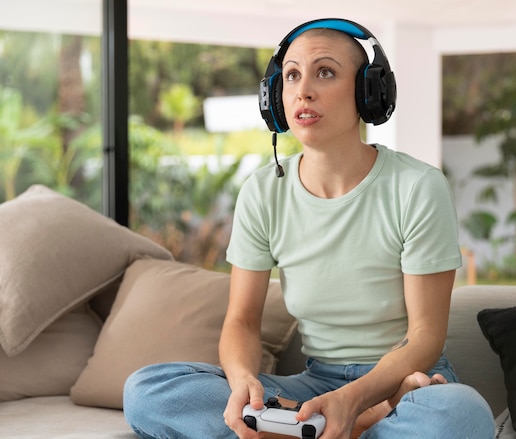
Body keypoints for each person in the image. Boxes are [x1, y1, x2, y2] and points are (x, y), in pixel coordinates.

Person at [123, 18, 495, 439]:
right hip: (314, 385)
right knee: (146, 391)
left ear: (368, 92)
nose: (303, 90)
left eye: (326, 72)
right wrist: (244, 381)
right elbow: (242, 320)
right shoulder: (263, 192)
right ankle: (349, 427)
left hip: (407, 381)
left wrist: (354, 400)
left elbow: (425, 337)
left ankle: (338, 422)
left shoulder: (417, 186)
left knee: (460, 413)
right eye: (292, 75)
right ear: (276, 100)